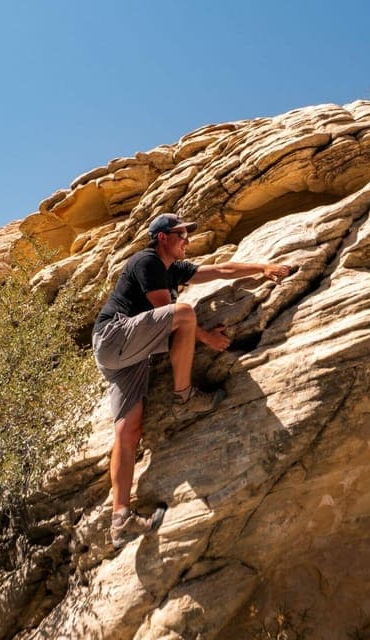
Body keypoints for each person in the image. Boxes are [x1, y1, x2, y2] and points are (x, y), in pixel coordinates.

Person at [92, 212, 291, 549]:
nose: (187, 239)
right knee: (183, 312)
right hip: (114, 337)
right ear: (162, 238)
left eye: (187, 234)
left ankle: (120, 517)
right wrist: (206, 338)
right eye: (181, 234)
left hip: (128, 356)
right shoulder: (147, 261)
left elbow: (222, 270)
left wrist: (261, 268)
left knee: (128, 431)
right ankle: (184, 396)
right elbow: (169, 313)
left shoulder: (175, 268)